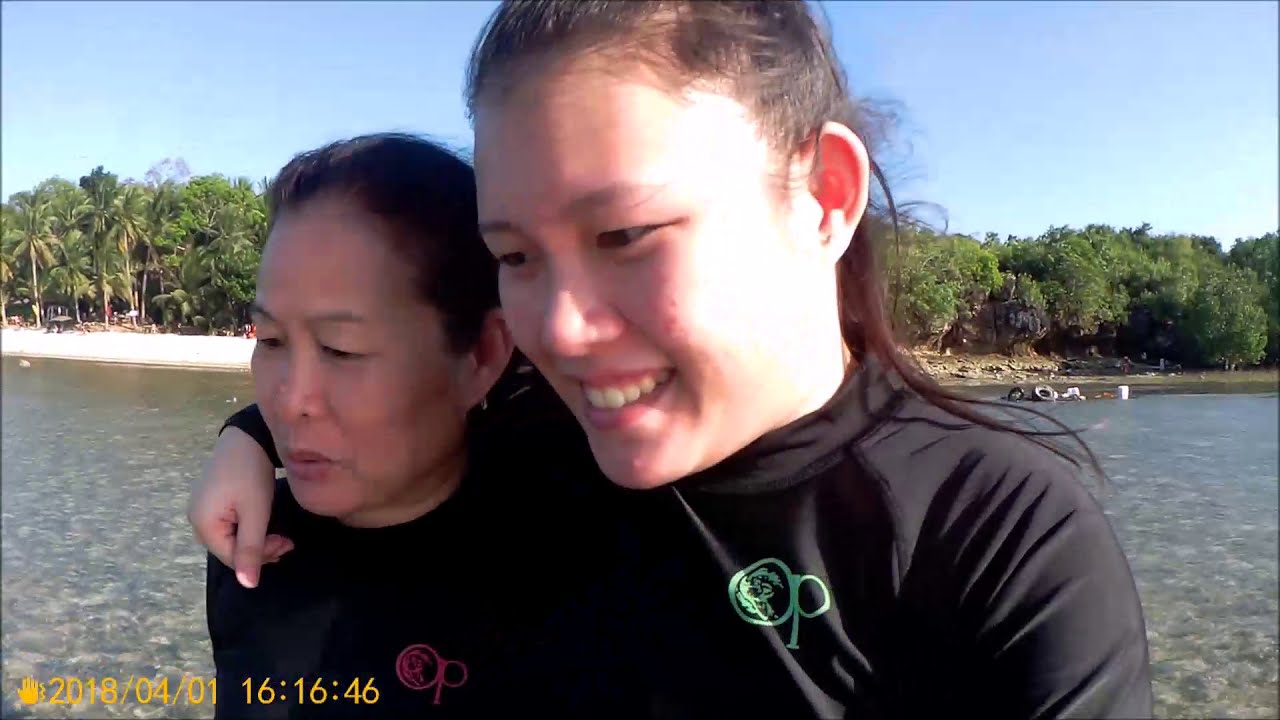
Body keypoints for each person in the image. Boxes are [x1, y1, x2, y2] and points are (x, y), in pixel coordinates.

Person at [192, 1, 1154, 716]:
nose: (561, 330)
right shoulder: (548, 442)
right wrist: (249, 438)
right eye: (516, 256)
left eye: (627, 235)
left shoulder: (995, 545)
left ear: (823, 193)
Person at [201, 132, 633, 719]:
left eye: (342, 349)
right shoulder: (249, 543)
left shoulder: (592, 554)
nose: (291, 400)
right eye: (271, 340)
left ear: (480, 354)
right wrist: (245, 433)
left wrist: (244, 434)